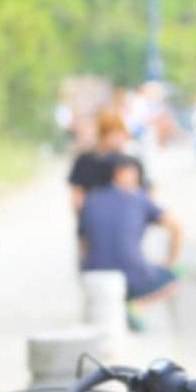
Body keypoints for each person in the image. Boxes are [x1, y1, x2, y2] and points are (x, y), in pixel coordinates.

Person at [78, 153, 181, 330]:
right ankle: (137, 305)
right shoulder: (138, 199)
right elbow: (176, 227)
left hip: (93, 274)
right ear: (120, 173)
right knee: (172, 281)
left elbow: (82, 244)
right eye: (135, 173)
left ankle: (127, 303)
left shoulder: (89, 200)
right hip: (134, 277)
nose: (138, 179)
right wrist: (169, 262)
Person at [68, 107, 149, 212]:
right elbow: (77, 197)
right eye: (113, 133)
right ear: (102, 135)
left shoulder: (131, 161)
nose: (119, 138)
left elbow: (147, 194)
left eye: (121, 133)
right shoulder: (85, 160)